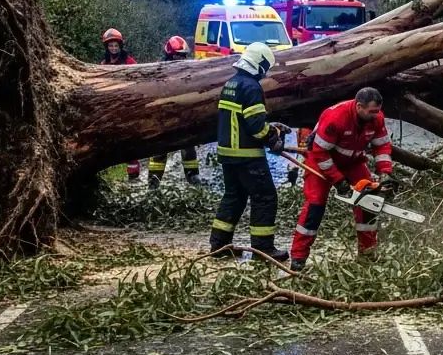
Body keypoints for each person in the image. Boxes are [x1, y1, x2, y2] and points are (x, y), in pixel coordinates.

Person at [289, 88, 394, 272]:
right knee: (315, 205)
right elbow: (320, 153)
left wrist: (385, 173)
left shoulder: (377, 118)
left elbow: (382, 146)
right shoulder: (336, 117)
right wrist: (338, 181)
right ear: (359, 106)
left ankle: (367, 253)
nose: (375, 116)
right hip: (320, 160)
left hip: (353, 161)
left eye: (377, 111)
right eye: (372, 112)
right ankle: (298, 257)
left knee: (369, 203)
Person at [208, 42, 289, 261]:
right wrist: (272, 136)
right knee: (265, 197)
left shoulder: (231, 83)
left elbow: (243, 120)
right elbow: (255, 125)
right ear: (260, 64)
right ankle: (264, 249)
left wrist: (272, 128)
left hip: (228, 154)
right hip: (247, 156)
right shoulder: (251, 87)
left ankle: (219, 246)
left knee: (234, 197)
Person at [147, 35, 200, 187]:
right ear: (170, 55)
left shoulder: (188, 73)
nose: (181, 59)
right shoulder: (159, 72)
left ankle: (193, 178)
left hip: (183, 117)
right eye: (178, 56)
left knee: (189, 148)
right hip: (164, 118)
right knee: (160, 151)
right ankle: (153, 181)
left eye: (183, 56)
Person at [100, 28, 141, 183]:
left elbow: (138, 79)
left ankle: (133, 176)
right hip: (111, 109)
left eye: (116, 45)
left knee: (130, 143)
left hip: (127, 107)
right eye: (110, 46)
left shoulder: (129, 62)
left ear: (120, 46)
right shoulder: (103, 64)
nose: (113, 48)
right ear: (107, 47)